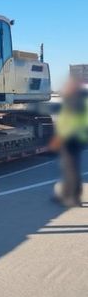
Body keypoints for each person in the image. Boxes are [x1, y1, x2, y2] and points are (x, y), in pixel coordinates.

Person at [50, 78, 88, 207]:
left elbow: (71, 121)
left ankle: (72, 198)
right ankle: (67, 194)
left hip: (71, 138)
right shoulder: (81, 99)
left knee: (70, 169)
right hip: (77, 137)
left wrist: (59, 138)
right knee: (69, 168)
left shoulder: (75, 100)